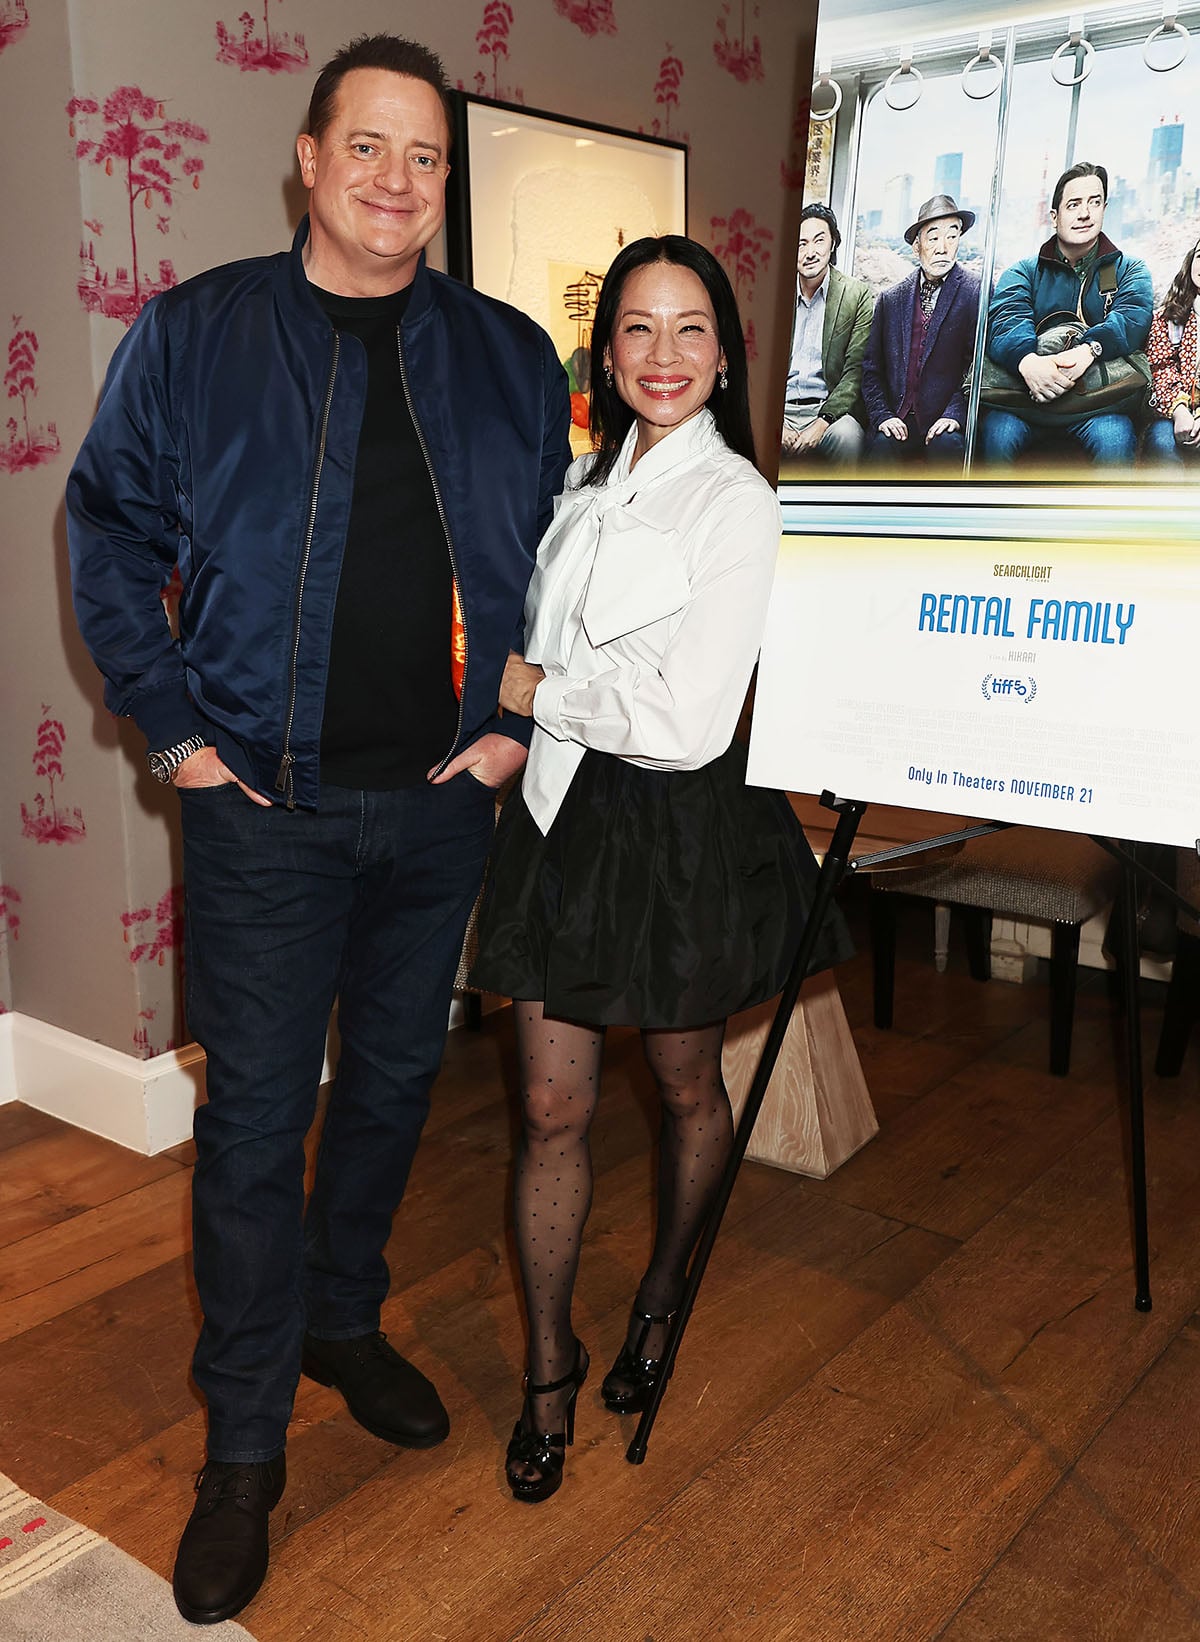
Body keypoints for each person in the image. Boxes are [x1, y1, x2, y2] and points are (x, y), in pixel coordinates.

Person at [67, 33, 570, 1626]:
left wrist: (510, 723)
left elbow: (560, 568)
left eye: (424, 158)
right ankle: (242, 1443)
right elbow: (107, 524)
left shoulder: (503, 355)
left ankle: (343, 1319)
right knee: (250, 1123)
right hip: (263, 814)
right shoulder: (199, 333)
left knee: (400, 1085)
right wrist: (182, 733)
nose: (395, 183)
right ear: (306, 157)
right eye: (367, 149)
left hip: (438, 809)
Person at [465, 235, 851, 1505]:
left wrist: (536, 689)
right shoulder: (585, 480)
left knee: (686, 1089)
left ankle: (660, 1299)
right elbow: (588, 656)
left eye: (692, 331)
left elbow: (688, 719)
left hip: (675, 833)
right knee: (554, 1111)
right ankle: (544, 1371)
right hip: (562, 822)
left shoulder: (737, 502)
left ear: (727, 354)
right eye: (638, 328)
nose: (664, 355)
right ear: (607, 349)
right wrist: (541, 705)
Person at [981, 162, 1153, 465]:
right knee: (997, 434)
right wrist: (1028, 362)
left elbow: (1132, 318)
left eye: (1094, 202)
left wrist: (1090, 350)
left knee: (1116, 438)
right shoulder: (1023, 272)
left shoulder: (1130, 270)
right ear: (1054, 216)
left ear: (1104, 208)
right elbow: (1007, 319)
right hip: (1024, 402)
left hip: (1099, 405)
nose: (1085, 213)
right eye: (1073, 204)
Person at [860, 194, 980, 465]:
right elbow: (871, 370)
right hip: (897, 419)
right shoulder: (891, 299)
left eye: (952, 236)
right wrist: (883, 415)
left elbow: (978, 369)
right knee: (879, 455)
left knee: (948, 452)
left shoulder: (976, 292)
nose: (943, 247)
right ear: (917, 246)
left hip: (944, 422)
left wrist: (954, 414)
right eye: (933, 237)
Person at [781, 202, 873, 465]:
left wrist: (823, 423)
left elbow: (855, 369)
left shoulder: (856, 295)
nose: (810, 252)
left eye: (818, 241)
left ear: (833, 243)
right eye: (801, 244)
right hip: (782, 409)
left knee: (848, 436)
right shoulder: (773, 292)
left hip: (827, 409)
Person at [1144, 234, 1200, 464]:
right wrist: (1180, 411)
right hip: (1173, 412)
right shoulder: (1168, 317)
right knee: (1162, 442)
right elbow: (1159, 368)